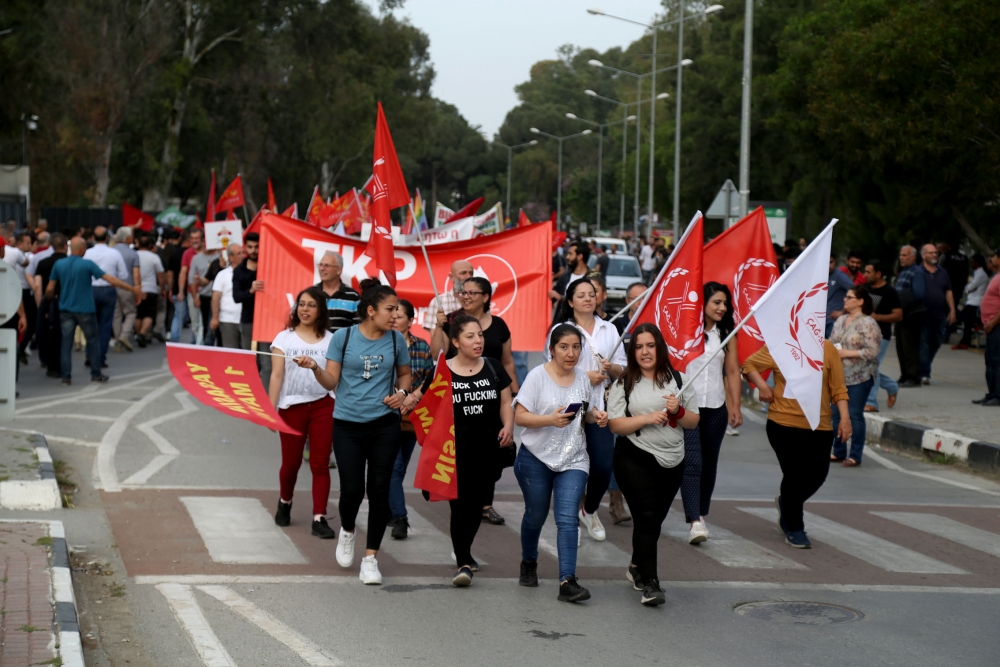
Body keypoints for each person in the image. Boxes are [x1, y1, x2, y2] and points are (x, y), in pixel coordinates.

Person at [302, 278, 411, 585]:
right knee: (352, 492)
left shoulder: (395, 340)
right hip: (348, 424)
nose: (395, 314)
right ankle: (347, 531)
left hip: (385, 425)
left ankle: (371, 558)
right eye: (390, 309)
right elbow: (330, 381)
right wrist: (314, 368)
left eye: (397, 309)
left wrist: (402, 395)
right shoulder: (344, 338)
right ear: (371, 310)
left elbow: (405, 376)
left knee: (379, 491)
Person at [513, 324, 606, 603]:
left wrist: (596, 415)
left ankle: (568, 581)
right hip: (536, 458)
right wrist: (549, 420)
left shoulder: (582, 379)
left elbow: (583, 413)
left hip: (574, 458)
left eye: (576, 347)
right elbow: (521, 417)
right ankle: (529, 560)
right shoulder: (537, 377)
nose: (571, 353)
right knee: (536, 515)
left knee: (567, 518)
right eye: (564, 347)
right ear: (551, 349)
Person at [608, 323, 699, 605]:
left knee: (653, 521)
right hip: (633, 456)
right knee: (646, 517)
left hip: (672, 459)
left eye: (650, 345)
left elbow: (693, 421)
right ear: (632, 351)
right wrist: (647, 418)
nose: (645, 352)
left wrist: (678, 410)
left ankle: (636, 566)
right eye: (638, 347)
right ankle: (651, 583)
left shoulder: (681, 380)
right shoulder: (623, 382)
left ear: (660, 347)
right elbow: (615, 425)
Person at [427, 314, 514, 586]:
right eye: (470, 336)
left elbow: (505, 402)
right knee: (460, 505)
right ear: (455, 341)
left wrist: (509, 426)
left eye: (480, 335)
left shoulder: (493, 366)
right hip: (455, 450)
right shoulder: (442, 370)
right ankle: (463, 561)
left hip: (488, 447)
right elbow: (428, 407)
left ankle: (464, 547)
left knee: (476, 506)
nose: (478, 341)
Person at [743, 340, 850, 549]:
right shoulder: (781, 344)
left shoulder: (828, 349)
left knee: (817, 476)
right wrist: (763, 386)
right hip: (783, 423)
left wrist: (845, 418)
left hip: (820, 424)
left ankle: (787, 502)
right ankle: (795, 527)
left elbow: (838, 388)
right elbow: (749, 366)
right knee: (794, 474)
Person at [431, 276, 518, 524]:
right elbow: (437, 353)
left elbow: (507, 361)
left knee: (491, 458)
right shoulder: (452, 322)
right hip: (460, 396)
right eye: (463, 292)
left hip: (492, 395)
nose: (465, 296)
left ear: (486, 297)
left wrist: (514, 394)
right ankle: (465, 504)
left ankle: (484, 503)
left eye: (472, 292)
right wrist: (439, 327)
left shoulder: (499, 326)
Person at [548, 278, 626, 541]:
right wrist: (584, 376)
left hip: (600, 409)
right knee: (568, 466)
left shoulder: (609, 329)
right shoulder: (561, 329)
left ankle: (589, 509)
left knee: (603, 466)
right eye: (580, 295)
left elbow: (622, 367)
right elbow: (552, 369)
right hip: (569, 409)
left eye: (591, 294)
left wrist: (611, 370)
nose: (587, 299)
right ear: (570, 302)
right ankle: (567, 522)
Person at [268, 287, 337, 539]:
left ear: (321, 310)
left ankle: (319, 517)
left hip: (323, 406)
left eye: (311, 305)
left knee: (320, 465)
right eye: (301, 304)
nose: (305, 309)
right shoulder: (283, 338)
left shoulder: (332, 340)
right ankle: (285, 501)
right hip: (291, 407)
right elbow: (276, 375)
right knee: (291, 464)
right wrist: (270, 409)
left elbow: (333, 378)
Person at [681, 283, 743, 544]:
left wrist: (735, 406)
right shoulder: (684, 331)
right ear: (703, 303)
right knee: (692, 462)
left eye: (725, 303)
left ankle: (700, 512)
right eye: (716, 302)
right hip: (687, 408)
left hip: (716, 407)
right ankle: (694, 520)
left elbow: (731, 372)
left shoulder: (726, 334)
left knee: (708, 465)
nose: (722, 307)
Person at [46, 238, 142, 385]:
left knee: (66, 343)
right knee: (92, 341)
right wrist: (133, 289)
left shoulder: (59, 264)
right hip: (85, 309)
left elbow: (50, 288)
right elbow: (110, 279)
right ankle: (96, 373)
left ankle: (66, 377)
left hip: (65, 309)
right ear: (82, 248)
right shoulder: (87, 264)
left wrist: (48, 302)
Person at [389, 300, 434, 540]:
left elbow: (430, 378)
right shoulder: (383, 344)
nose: (394, 319)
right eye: (391, 314)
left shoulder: (421, 347)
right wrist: (399, 397)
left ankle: (389, 506)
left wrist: (413, 396)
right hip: (387, 414)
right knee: (394, 467)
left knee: (400, 467)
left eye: (399, 315)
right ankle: (400, 517)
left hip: (413, 415)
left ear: (410, 320)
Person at [829, 286, 882, 466]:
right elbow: (831, 342)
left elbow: (873, 351)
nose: (845, 299)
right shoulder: (840, 320)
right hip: (839, 375)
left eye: (849, 297)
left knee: (854, 414)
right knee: (836, 414)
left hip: (861, 375)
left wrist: (847, 354)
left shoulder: (868, 323)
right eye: (845, 296)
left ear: (860, 301)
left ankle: (855, 454)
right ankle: (839, 451)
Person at [83, 227, 131, 368]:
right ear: (107, 238)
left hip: (91, 290)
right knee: (105, 325)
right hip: (108, 290)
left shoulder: (87, 253)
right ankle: (100, 357)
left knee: (91, 325)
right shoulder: (114, 253)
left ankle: (89, 354)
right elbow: (124, 275)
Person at [233, 233, 272, 387]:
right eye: (250, 247)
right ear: (245, 247)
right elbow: (236, 297)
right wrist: (251, 290)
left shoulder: (269, 266)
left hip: (268, 321)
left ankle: (267, 398)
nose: (254, 250)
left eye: (257, 246)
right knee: (250, 361)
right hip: (248, 321)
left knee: (267, 363)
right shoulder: (239, 271)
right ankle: (252, 395)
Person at [863, 260, 902, 412]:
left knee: (871, 366)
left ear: (878, 274)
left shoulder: (890, 292)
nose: (865, 275)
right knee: (868, 366)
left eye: (868, 272)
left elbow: (898, 315)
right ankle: (892, 386)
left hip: (881, 335)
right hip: (863, 335)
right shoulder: (864, 289)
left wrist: (877, 317)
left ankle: (871, 401)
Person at [918, 243, 956, 385]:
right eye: (931, 253)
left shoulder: (942, 272)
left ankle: (924, 365)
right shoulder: (918, 272)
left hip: (940, 314)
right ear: (923, 255)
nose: (935, 255)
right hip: (923, 315)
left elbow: (948, 291)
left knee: (936, 342)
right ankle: (924, 373)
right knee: (923, 344)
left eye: (936, 253)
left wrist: (952, 310)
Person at [34, 233, 69, 377]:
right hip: (67, 302)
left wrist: (41, 306)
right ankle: (63, 366)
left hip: (49, 302)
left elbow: (37, 286)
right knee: (64, 336)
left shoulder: (43, 263)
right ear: (66, 247)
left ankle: (50, 366)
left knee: (49, 334)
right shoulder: (69, 263)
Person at [894, 245, 926, 387]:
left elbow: (918, 293)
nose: (901, 258)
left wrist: (900, 299)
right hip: (900, 314)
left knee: (909, 348)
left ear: (913, 257)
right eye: (900, 255)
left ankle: (913, 377)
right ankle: (904, 375)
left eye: (905, 255)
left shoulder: (917, 272)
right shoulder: (903, 272)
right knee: (900, 347)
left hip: (910, 314)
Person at [973, 251, 1000, 407]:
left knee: (997, 361)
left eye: (995, 256)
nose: (991, 259)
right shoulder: (996, 275)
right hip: (990, 326)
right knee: (990, 361)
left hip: (996, 326)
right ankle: (991, 393)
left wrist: (992, 322)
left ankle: (998, 395)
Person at [4, 232, 34, 365]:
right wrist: (22, 315)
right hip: (15, 297)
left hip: (13, 296)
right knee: (12, 334)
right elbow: (26, 263)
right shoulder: (15, 254)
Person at [111, 226, 142, 352]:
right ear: (128, 238)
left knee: (116, 315)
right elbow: (136, 274)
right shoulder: (133, 253)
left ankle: (118, 341)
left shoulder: (110, 251)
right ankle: (124, 335)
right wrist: (137, 290)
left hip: (112, 287)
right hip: (127, 287)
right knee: (131, 312)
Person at [315, 251, 361, 334]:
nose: (321, 269)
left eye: (327, 265)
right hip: (315, 346)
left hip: (343, 346)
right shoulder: (311, 294)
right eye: (320, 265)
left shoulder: (353, 296)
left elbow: (358, 328)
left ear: (338, 270)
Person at [210, 244, 244, 348]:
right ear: (230, 257)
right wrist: (215, 317)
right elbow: (216, 297)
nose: (242, 255)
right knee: (231, 352)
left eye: (243, 252)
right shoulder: (222, 275)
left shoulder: (250, 273)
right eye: (239, 253)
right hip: (228, 320)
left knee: (247, 353)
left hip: (246, 320)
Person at [425, 260, 473, 333]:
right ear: (451, 277)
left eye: (471, 273)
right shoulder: (438, 301)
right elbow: (435, 338)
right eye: (463, 273)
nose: (469, 277)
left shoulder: (480, 299)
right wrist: (439, 324)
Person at [135, 235, 166, 347]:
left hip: (136, 288)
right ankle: (142, 334)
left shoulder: (134, 255)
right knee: (149, 313)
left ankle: (138, 334)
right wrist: (162, 288)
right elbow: (161, 275)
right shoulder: (154, 257)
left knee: (138, 314)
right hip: (151, 288)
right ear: (150, 245)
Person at [954, 254, 989, 350]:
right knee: (967, 323)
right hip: (972, 301)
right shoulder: (977, 273)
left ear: (977, 262)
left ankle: (979, 322)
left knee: (959, 317)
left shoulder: (981, 274)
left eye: (973, 261)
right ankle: (965, 342)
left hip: (975, 302)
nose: (971, 263)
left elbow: (970, 287)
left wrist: (968, 288)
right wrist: (968, 289)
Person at [188, 239, 219, 346]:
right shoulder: (196, 258)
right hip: (205, 296)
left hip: (219, 297)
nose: (206, 244)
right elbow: (193, 279)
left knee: (215, 326)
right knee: (205, 325)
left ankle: (211, 345)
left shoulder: (220, 257)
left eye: (208, 241)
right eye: (204, 242)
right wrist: (195, 297)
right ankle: (206, 348)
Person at [168, 229, 195, 343]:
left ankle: (174, 339)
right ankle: (195, 342)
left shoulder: (174, 253)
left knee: (178, 315)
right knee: (194, 317)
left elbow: (170, 274)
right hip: (193, 289)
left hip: (176, 289)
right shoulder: (193, 254)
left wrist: (170, 289)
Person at [937, 241, 969, 330]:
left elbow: (938, 270)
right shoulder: (964, 258)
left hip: (946, 287)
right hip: (958, 288)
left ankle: (945, 330)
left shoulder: (945, 256)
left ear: (948, 247)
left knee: (944, 309)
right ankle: (950, 328)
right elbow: (966, 274)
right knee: (953, 307)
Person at [826, 254, 856, 338]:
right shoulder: (820, 275)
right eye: (826, 262)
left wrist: (842, 311)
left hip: (833, 322)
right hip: (820, 322)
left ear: (835, 262)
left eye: (831, 262)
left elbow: (855, 291)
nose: (829, 266)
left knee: (835, 349)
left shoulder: (840, 275)